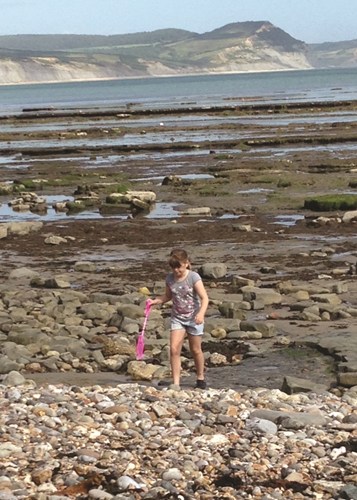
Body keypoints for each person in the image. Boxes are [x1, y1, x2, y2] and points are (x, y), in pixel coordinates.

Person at [148, 248, 209, 389]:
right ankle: (176, 383)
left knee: (196, 350)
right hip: (177, 318)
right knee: (174, 349)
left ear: (186, 263)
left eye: (179, 267)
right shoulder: (169, 279)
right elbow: (168, 296)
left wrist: (201, 314)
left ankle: (200, 377)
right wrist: (155, 301)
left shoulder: (193, 277)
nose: (176, 271)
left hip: (194, 317)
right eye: (173, 267)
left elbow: (204, 298)